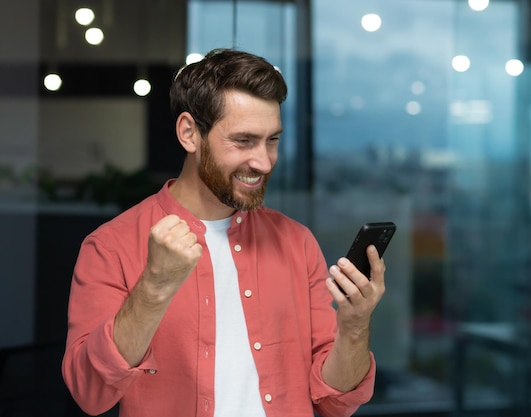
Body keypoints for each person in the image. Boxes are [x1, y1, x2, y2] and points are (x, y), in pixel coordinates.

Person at [62, 48, 386, 417]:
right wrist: (152, 289)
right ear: (189, 133)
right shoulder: (111, 246)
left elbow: (334, 402)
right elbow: (89, 392)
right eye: (244, 141)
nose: (263, 162)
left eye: (272, 140)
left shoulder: (297, 242)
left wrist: (355, 326)